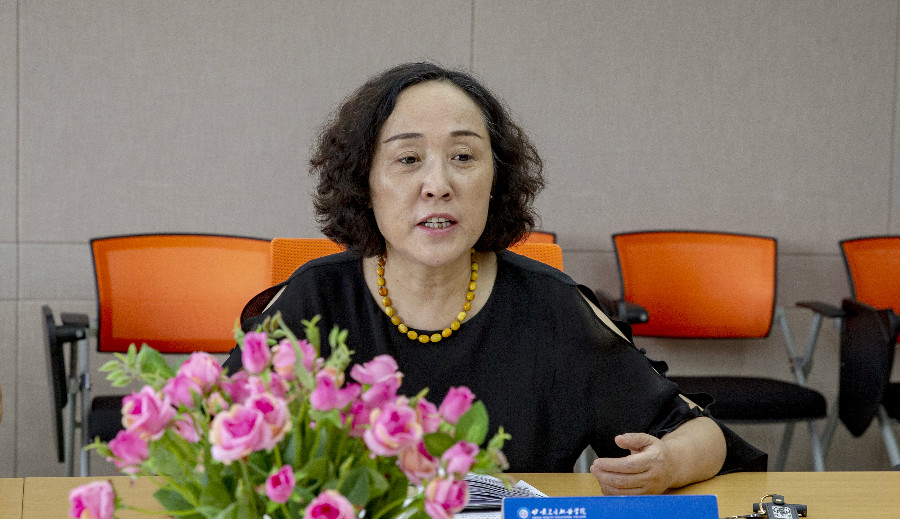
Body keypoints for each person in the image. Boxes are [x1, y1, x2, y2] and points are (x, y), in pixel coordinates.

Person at [226, 62, 765, 495]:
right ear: (364, 182)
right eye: (408, 159)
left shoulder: (551, 307)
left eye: (463, 156)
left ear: (495, 180)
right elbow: (213, 438)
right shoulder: (315, 299)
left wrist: (667, 463)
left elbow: (702, 434)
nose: (437, 184)